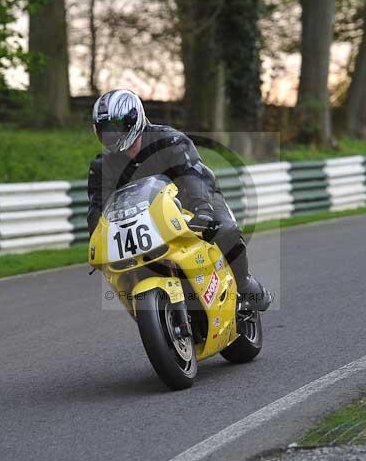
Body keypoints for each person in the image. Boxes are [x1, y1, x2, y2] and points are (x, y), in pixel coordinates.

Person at [86, 88, 273, 312]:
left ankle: (246, 286)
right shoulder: (102, 166)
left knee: (225, 230)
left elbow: (194, 175)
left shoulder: (169, 140)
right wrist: (98, 238)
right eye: (105, 130)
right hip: (146, 220)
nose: (111, 135)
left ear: (132, 120)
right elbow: (98, 206)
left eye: (115, 127)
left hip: (193, 200)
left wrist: (202, 209)